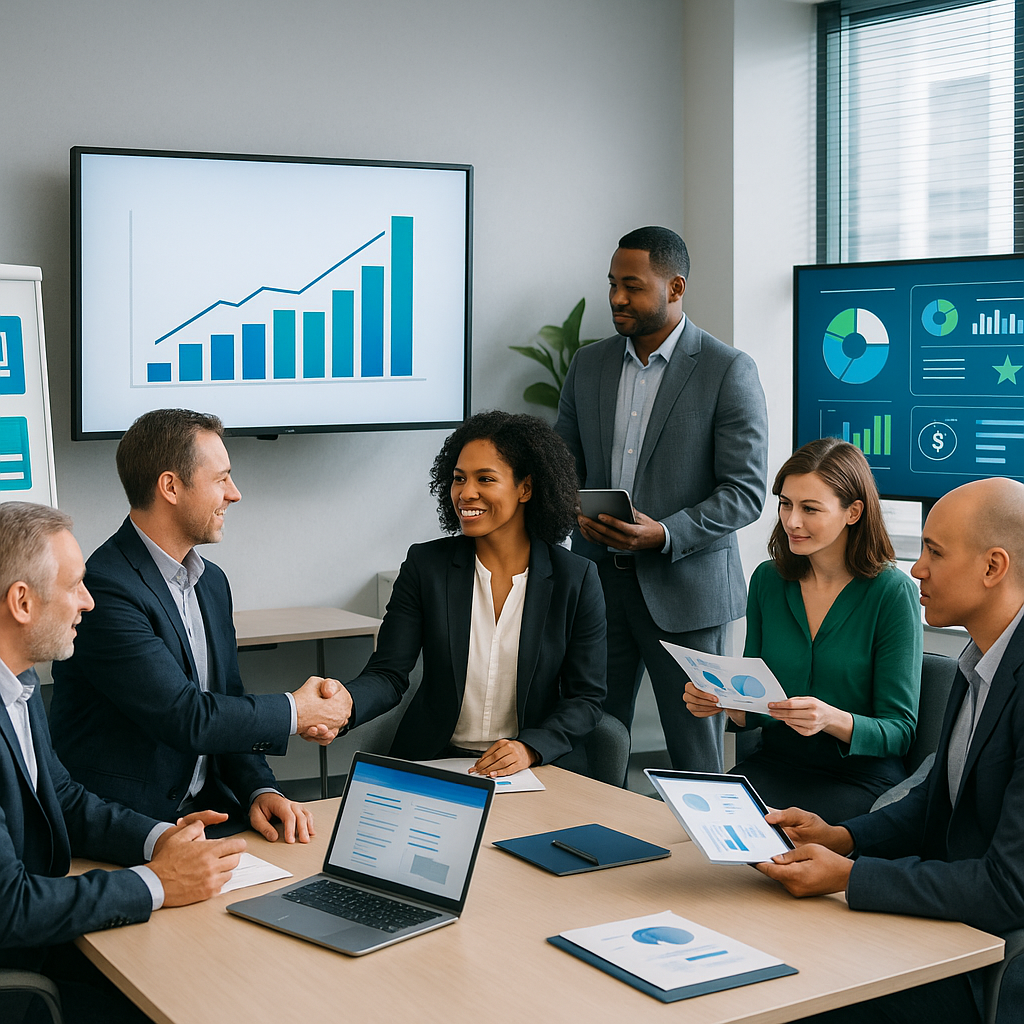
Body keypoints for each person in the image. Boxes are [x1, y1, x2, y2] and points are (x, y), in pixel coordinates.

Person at [757, 477, 1024, 1024]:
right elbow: (937, 795)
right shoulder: (980, 658)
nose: (917, 568)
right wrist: (845, 837)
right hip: (941, 914)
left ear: (993, 567)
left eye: (934, 551)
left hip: (983, 958)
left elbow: (1007, 887)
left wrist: (849, 876)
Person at [49, 409, 353, 841]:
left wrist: (258, 788)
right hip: (126, 829)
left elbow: (227, 701)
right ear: (171, 486)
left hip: (208, 813)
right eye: (221, 478)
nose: (235, 494)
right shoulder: (104, 587)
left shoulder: (210, 582)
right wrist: (298, 710)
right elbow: (187, 717)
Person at [0, 501, 246, 1024]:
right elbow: (9, 907)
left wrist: (161, 839)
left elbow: (62, 798)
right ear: (22, 602)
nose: (88, 603)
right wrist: (158, 882)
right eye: (74, 586)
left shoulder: (16, 684)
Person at [554, 225, 768, 774]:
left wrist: (666, 533)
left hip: (687, 593)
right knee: (592, 739)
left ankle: (705, 861)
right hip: (599, 582)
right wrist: (568, 506)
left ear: (675, 288)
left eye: (633, 286)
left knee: (697, 755)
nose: (617, 299)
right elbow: (563, 466)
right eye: (612, 284)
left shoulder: (728, 370)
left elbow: (744, 492)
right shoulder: (589, 365)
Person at [344, 411, 606, 775]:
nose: (466, 493)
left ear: (526, 488)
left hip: (532, 768)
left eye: (485, 479)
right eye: (458, 479)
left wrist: (530, 748)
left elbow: (586, 698)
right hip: (434, 760)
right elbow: (388, 673)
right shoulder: (426, 565)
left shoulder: (575, 578)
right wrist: (344, 703)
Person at [683, 438, 922, 820]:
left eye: (810, 508)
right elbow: (758, 702)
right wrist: (723, 703)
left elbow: (899, 731)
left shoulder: (892, 593)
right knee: (690, 825)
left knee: (777, 848)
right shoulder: (768, 580)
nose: (792, 521)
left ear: (853, 512)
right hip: (774, 764)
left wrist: (831, 719)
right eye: (785, 503)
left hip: (857, 778)